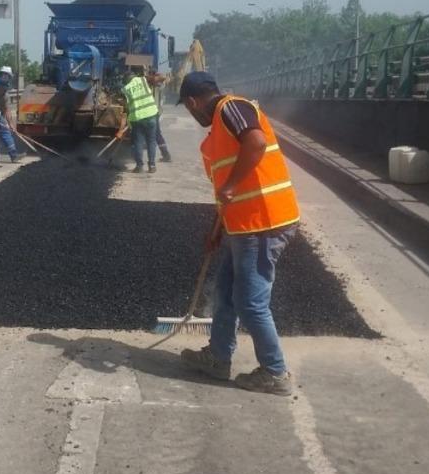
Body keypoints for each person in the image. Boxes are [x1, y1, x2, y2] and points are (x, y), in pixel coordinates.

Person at [177, 71, 301, 396]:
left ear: (193, 102)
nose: (191, 115)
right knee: (225, 292)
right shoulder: (214, 138)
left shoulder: (231, 108)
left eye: (188, 109)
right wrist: (218, 228)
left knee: (250, 302)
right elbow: (227, 192)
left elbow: (256, 143)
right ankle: (218, 357)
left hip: (264, 223)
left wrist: (230, 186)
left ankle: (275, 373)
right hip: (242, 227)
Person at [121, 68, 160, 173]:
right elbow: (157, 80)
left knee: (138, 142)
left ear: (126, 80)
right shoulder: (143, 80)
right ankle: (152, 166)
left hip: (137, 118)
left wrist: (127, 124)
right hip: (151, 115)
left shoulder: (125, 89)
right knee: (151, 141)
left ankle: (139, 166)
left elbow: (126, 108)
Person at [146, 71, 173, 162]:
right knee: (156, 134)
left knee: (155, 134)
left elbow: (164, 78)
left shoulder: (157, 86)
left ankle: (165, 155)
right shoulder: (159, 86)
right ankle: (165, 155)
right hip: (153, 113)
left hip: (153, 113)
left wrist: (155, 77)